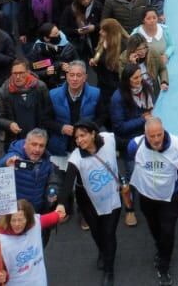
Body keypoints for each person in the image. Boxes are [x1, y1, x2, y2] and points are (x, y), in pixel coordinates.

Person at [125, 116, 178, 286]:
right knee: (155, 228)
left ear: (163, 131)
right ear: (145, 135)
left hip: (170, 197)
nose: (156, 139)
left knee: (168, 231)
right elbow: (131, 163)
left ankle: (164, 266)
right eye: (152, 136)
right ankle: (161, 248)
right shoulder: (134, 146)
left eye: (159, 134)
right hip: (147, 197)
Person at [62, 120, 123, 286]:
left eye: (82, 135)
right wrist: (61, 204)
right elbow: (68, 182)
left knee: (109, 233)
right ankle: (103, 252)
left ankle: (109, 270)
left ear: (93, 133)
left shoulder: (108, 140)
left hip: (112, 196)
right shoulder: (76, 157)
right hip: (87, 200)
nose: (79, 140)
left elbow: (126, 144)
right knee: (97, 232)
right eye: (76, 138)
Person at [0, 198, 65, 286]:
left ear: (28, 219)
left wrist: (59, 214)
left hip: (38, 281)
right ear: (8, 220)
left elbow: (50, 218)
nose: (17, 224)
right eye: (13, 220)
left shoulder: (35, 223)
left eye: (20, 220)